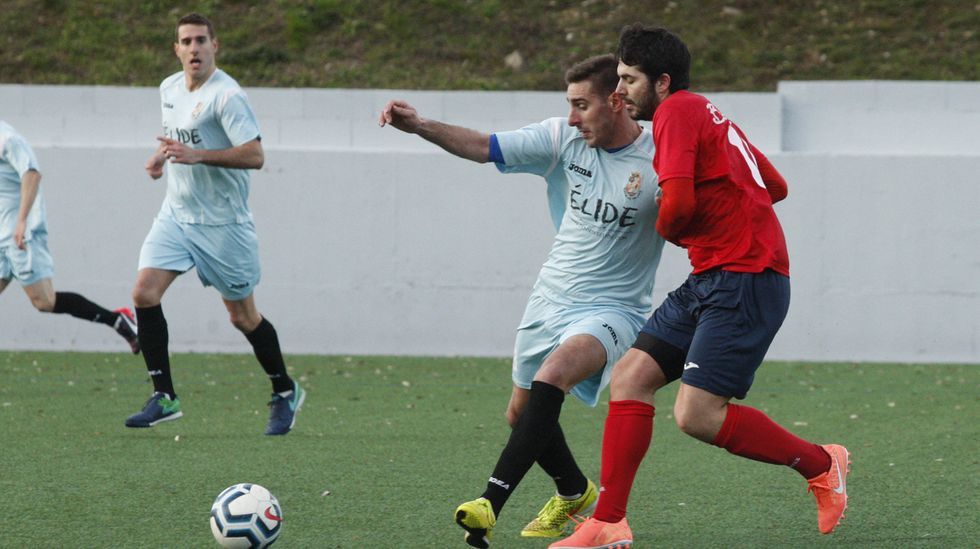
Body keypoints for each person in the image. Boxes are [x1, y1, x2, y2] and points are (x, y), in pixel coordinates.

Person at [551, 25, 850, 549]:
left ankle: (822, 463)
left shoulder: (676, 114)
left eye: (628, 79)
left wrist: (668, 227)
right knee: (631, 377)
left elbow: (680, 208)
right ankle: (609, 522)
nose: (618, 92)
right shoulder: (704, 110)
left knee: (696, 416)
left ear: (661, 82)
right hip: (716, 274)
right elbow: (774, 185)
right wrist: (724, 218)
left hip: (745, 279)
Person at [380, 54, 672, 548]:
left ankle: (488, 503)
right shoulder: (561, 139)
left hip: (615, 310)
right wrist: (420, 125)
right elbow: (482, 146)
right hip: (550, 298)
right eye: (569, 105)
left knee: (552, 376)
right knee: (522, 414)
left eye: (582, 105)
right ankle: (574, 492)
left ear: (618, 101)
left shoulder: (660, 156)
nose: (573, 117)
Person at [124, 13, 304, 435]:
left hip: (223, 226)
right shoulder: (169, 87)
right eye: (186, 42)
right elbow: (181, 138)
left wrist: (199, 157)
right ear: (176, 49)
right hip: (177, 215)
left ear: (215, 45)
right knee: (144, 293)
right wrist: (161, 156)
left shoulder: (228, 96)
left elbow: (255, 155)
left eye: (201, 40)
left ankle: (284, 390)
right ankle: (164, 396)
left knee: (243, 317)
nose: (193, 49)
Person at [0, 121, 139, 353]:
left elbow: (32, 174)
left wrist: (22, 221)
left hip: (21, 236)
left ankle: (117, 320)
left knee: (44, 302)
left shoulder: (7, 139)